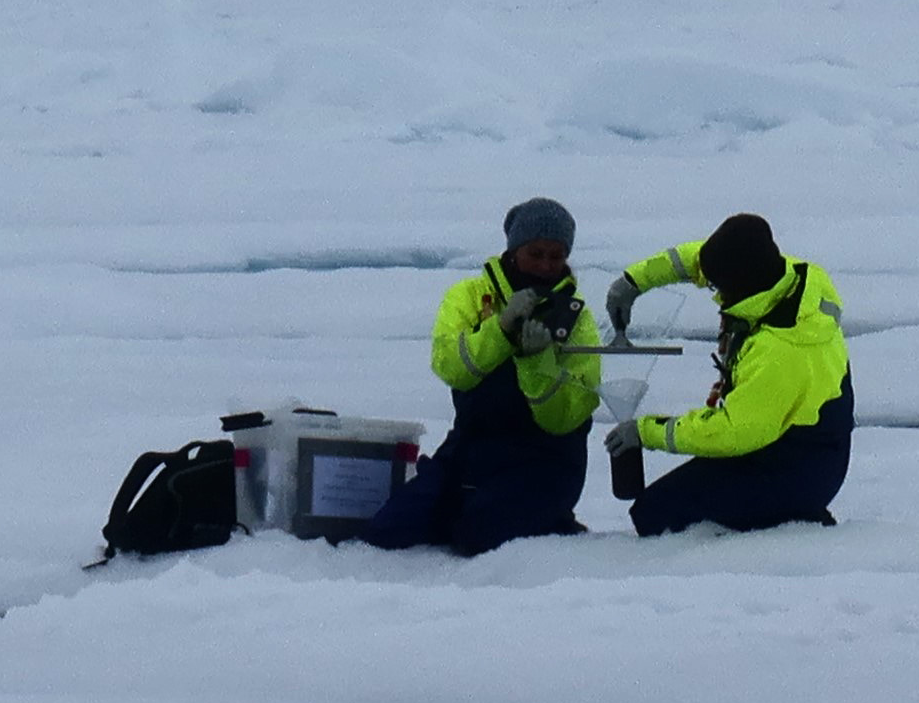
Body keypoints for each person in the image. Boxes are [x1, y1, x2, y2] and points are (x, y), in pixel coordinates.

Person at [361, 197, 604, 556]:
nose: (545, 266)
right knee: (387, 532)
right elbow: (451, 367)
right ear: (514, 249)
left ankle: (550, 519)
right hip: (471, 449)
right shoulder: (469, 298)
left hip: (547, 460)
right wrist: (501, 332)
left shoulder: (577, 319)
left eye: (556, 256)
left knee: (478, 535)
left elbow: (565, 417)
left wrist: (537, 363)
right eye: (535, 253)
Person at [603, 213, 851, 536]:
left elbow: (732, 432)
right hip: (783, 434)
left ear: (741, 287)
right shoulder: (783, 275)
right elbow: (698, 260)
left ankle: (795, 519)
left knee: (655, 517)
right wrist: (634, 283)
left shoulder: (779, 351)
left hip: (802, 464)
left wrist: (646, 432)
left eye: (720, 289)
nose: (716, 295)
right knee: (659, 508)